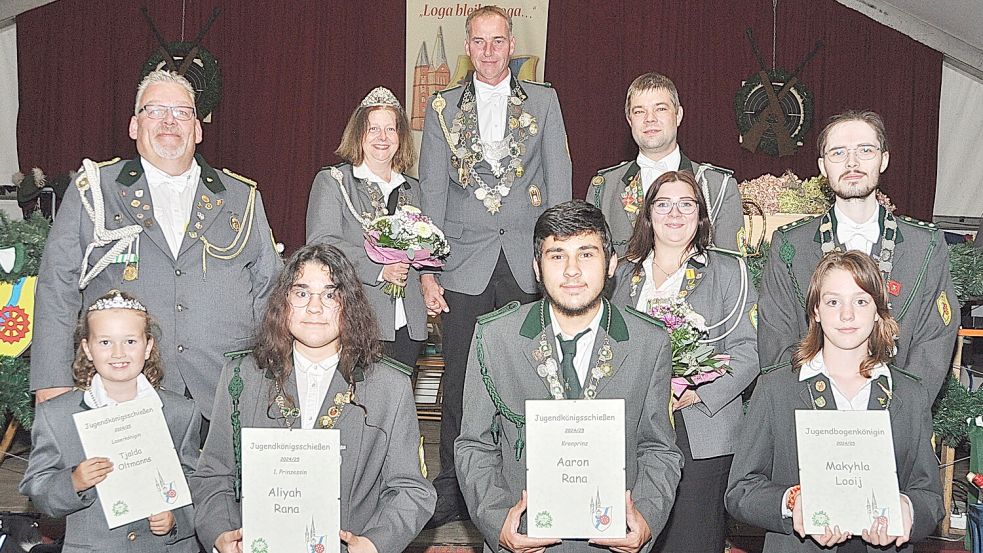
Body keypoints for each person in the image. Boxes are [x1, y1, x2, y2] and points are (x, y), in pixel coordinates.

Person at [30, 70, 282, 421]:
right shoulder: (95, 191)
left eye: (182, 112)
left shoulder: (241, 197)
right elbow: (58, 286)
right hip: (123, 391)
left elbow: (271, 291)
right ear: (134, 126)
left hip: (227, 394)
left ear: (197, 129)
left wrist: (276, 380)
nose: (169, 120)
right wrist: (52, 380)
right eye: (155, 110)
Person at [418, 4, 572, 527]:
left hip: (527, 264)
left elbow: (560, 184)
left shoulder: (545, 101)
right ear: (468, 45)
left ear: (512, 44)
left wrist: (560, 258)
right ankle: (453, 489)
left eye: (497, 40)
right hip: (463, 264)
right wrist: (426, 271)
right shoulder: (441, 108)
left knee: (530, 373)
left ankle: (530, 480)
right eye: (478, 41)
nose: (488, 50)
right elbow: (433, 194)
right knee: (459, 377)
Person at [456, 200, 682, 553]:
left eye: (587, 255)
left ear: (611, 265)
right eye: (557, 255)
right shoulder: (496, 337)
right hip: (526, 539)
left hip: (613, 540)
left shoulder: (647, 342)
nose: (572, 271)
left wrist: (648, 518)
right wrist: (498, 520)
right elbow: (474, 444)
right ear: (537, 267)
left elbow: (658, 448)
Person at [191, 243, 436, 553]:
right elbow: (214, 474)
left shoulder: (390, 387)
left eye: (330, 295)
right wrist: (221, 533)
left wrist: (375, 544)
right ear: (283, 301)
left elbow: (411, 489)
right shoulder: (241, 377)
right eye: (302, 293)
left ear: (350, 305)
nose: (315, 308)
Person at [727, 250, 944, 552]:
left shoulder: (908, 394)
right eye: (833, 301)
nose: (846, 315)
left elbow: (930, 497)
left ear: (879, 310)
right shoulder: (776, 389)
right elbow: (740, 491)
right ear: (815, 310)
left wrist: (907, 509)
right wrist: (792, 503)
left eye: (860, 300)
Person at [757, 110, 957, 399]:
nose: (852, 163)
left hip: (897, 420)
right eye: (838, 153)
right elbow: (776, 341)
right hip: (813, 418)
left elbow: (934, 342)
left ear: (884, 159)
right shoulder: (791, 246)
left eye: (865, 150)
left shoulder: (924, 246)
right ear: (823, 166)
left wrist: (901, 414)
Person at [609, 171, 758, 553]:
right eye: (663, 204)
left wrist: (694, 391)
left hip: (702, 428)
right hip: (634, 430)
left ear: (700, 214)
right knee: (635, 536)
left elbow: (748, 351)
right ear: (648, 214)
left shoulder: (730, 271)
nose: (674, 213)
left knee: (694, 539)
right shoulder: (625, 273)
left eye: (686, 204)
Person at [20, 290, 201, 553]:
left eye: (130, 341)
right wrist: (74, 482)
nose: (118, 353)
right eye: (105, 342)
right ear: (87, 348)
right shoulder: (56, 416)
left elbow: (197, 485)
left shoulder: (180, 412)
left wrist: (177, 518)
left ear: (148, 346)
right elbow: (37, 490)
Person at [307, 86, 427, 369]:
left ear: (401, 137)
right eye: (373, 129)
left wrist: (429, 279)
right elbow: (322, 246)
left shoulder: (414, 190)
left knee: (397, 409)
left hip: (408, 324)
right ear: (359, 134)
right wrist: (379, 269)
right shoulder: (334, 182)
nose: (382, 138)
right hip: (355, 319)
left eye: (390, 129)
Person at [587, 72, 744, 255]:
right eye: (639, 111)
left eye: (660, 109)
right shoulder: (604, 188)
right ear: (629, 120)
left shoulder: (717, 187)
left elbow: (731, 273)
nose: (650, 118)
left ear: (678, 115)